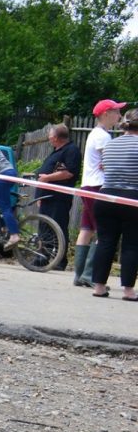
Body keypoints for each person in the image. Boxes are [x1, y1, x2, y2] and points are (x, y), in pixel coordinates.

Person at [74, 99, 125, 286]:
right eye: (116, 112)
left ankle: (79, 275)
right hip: (97, 186)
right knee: (103, 232)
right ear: (106, 114)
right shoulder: (103, 137)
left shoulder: (97, 134)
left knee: (86, 229)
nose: (119, 116)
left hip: (88, 184)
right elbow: (106, 163)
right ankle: (88, 274)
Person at [89, 109, 138, 300]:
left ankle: (99, 286)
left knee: (106, 242)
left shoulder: (110, 145)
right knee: (132, 245)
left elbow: (106, 169)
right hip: (132, 198)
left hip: (106, 197)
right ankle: (128, 290)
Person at [33, 124, 81, 271]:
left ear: (56, 138)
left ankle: (60, 260)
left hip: (58, 197)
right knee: (44, 227)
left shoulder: (71, 150)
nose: (49, 139)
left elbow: (69, 172)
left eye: (50, 137)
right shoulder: (56, 151)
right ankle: (43, 257)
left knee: (58, 227)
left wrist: (47, 178)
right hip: (47, 196)